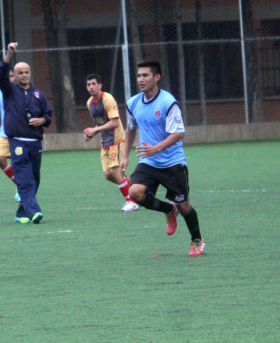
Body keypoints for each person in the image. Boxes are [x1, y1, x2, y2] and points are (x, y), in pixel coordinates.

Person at [121, 60, 205, 256]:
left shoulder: (168, 102)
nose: (141, 79)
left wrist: (156, 148)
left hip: (172, 162)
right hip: (149, 161)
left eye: (145, 75)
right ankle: (168, 210)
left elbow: (179, 133)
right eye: (139, 76)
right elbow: (131, 128)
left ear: (157, 77)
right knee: (134, 192)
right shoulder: (133, 103)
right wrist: (124, 156)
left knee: (184, 206)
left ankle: (197, 240)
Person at [0, 42, 52, 224]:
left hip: (35, 142)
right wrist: (8, 55)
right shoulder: (9, 90)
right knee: (25, 178)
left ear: (30, 73)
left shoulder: (39, 95)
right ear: (15, 75)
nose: (24, 75)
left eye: (26, 72)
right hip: (17, 142)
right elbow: (1, 74)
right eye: (20, 72)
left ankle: (21, 213)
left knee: (35, 178)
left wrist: (41, 120)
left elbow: (48, 115)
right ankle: (34, 211)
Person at [83, 73, 139, 212]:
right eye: (89, 84)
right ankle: (138, 191)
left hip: (117, 139)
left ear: (100, 85)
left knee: (115, 171)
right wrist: (92, 133)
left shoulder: (108, 99)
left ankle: (131, 201)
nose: (91, 87)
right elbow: (100, 123)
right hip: (105, 141)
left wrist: (96, 130)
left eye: (94, 84)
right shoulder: (90, 103)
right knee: (108, 175)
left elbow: (114, 122)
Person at [0, 69, 20, 202]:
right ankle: (19, 183)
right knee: (0, 159)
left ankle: (21, 188)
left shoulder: (19, 92)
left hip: (18, 133)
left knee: (18, 161)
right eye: (6, 76)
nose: (9, 79)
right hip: (4, 133)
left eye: (11, 76)